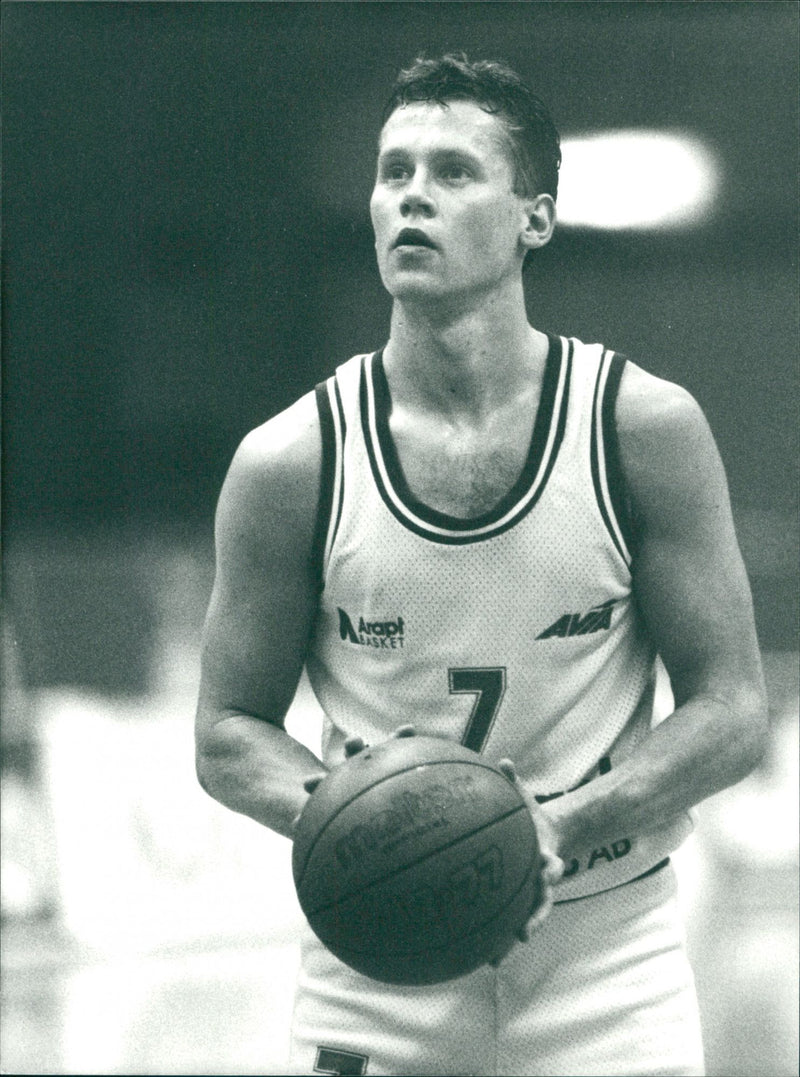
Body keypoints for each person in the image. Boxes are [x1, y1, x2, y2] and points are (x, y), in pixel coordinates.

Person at [195, 54, 767, 1077]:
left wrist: (543, 830)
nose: (411, 193)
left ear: (531, 219)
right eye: (392, 171)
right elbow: (227, 733)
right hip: (376, 961)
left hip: (604, 956)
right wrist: (360, 823)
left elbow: (729, 712)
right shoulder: (291, 461)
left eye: (454, 172)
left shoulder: (639, 429)